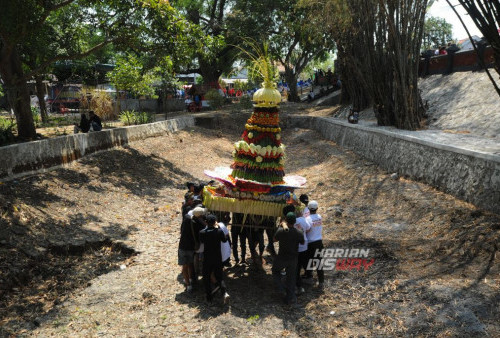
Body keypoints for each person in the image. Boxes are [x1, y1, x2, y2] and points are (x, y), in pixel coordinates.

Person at [272, 212, 304, 305]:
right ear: (294, 222)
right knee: (291, 278)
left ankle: (281, 288)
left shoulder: (281, 230)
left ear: (286, 220)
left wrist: (280, 227)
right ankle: (289, 299)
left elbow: (274, 240)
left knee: (275, 271)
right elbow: (302, 243)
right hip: (293, 259)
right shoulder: (299, 232)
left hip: (282, 257)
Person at [199, 214, 230, 303]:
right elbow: (224, 240)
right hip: (217, 257)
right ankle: (224, 292)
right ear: (215, 222)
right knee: (219, 276)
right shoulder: (219, 231)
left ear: (206, 222)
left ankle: (209, 297)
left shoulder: (202, 233)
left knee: (206, 277)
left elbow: (201, 241)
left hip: (207, 258)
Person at [178, 206, 205, 292]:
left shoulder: (186, 219)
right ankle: (190, 280)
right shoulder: (198, 224)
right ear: (200, 216)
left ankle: (188, 284)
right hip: (191, 248)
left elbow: (181, 230)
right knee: (190, 265)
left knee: (184, 266)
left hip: (182, 246)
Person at [303, 201, 324, 287]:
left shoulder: (307, 219)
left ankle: (309, 278)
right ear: (317, 208)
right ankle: (321, 281)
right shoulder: (319, 217)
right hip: (319, 242)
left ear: (309, 209)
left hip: (310, 243)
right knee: (319, 263)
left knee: (309, 261)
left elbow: (307, 230)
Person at [295, 209, 311, 295]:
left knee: (296, 267)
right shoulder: (303, 219)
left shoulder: (292, 221)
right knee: (304, 262)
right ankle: (309, 276)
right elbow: (308, 229)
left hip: (296, 247)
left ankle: (298, 286)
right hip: (304, 245)